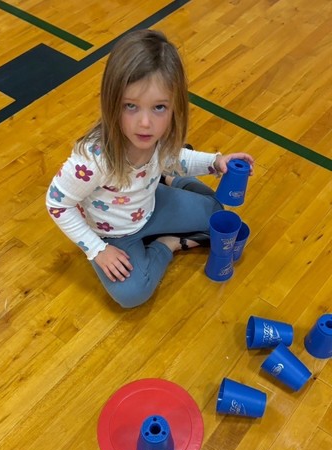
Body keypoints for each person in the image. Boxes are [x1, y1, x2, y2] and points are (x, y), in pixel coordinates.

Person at [45, 29, 255, 308]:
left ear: (174, 107)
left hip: (150, 205)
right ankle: (168, 244)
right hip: (113, 234)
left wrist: (216, 162)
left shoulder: (158, 136)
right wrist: (98, 250)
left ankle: (170, 181)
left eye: (158, 108)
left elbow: (176, 156)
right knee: (132, 294)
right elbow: (57, 204)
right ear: (111, 103)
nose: (145, 123)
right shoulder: (92, 160)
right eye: (130, 106)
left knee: (216, 213)